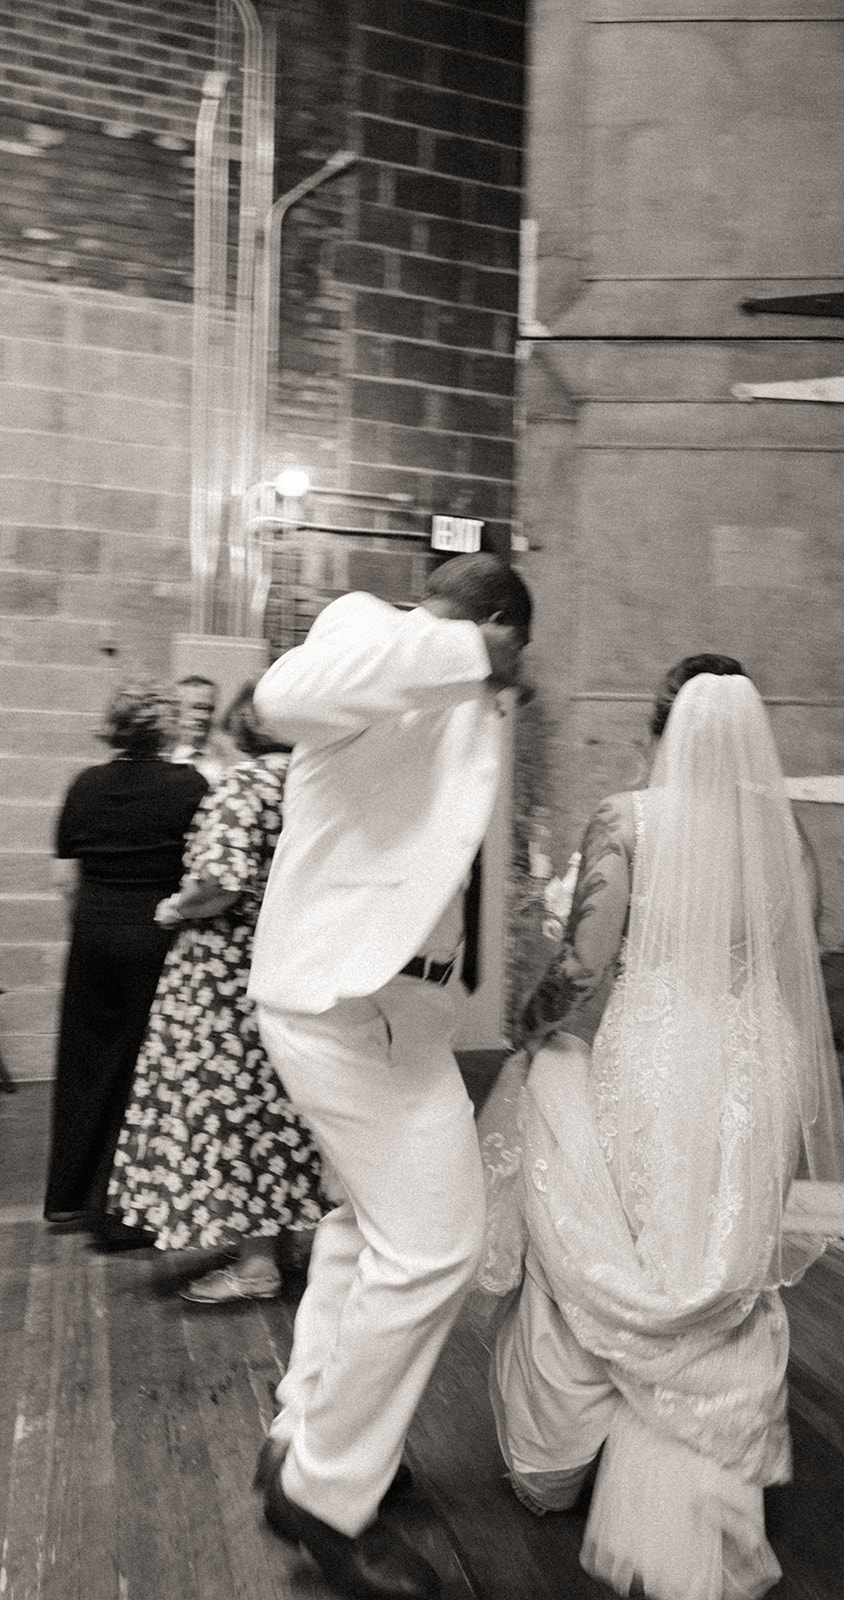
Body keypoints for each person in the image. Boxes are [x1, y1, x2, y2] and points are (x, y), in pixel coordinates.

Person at [483, 655, 844, 1600]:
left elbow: (582, 969)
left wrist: (525, 1032)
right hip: (752, 1066)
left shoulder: (628, 819)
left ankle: (566, 1455)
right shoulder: (783, 831)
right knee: (716, 1261)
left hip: (652, 1058)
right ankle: (707, 1454)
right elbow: (795, 957)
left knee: (624, 1241)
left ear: (662, 730)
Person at [248, 552, 532, 1600]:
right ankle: (326, 1494)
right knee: (437, 1248)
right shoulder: (369, 629)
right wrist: (467, 650)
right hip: (338, 1003)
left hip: (398, 1010)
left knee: (365, 1231)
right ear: (495, 623)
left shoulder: (448, 690)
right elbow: (281, 696)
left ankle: (302, 1433)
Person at [107, 682, 327, 1302]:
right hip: (289, 963)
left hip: (225, 973)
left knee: (231, 1111)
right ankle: (280, 1246)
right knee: (279, 1108)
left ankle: (256, 1265)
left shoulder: (244, 783)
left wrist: (176, 908)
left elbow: (220, 884)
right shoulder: (311, 781)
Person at [44, 678, 208, 1242]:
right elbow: (202, 870)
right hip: (155, 935)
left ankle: (67, 1199)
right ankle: (124, 1210)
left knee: (85, 1061)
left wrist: (92, 927)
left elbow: (66, 877)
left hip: (93, 932)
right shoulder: (189, 784)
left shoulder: (84, 785)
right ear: (164, 727)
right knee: (145, 1068)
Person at [172, 673, 228, 783]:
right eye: (197, 708)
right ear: (175, 709)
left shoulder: (227, 761)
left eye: (209, 709)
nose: (204, 716)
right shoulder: (161, 759)